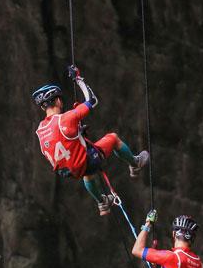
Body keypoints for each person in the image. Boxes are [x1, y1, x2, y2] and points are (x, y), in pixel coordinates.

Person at [32, 66, 149, 215]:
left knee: (87, 173)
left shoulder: (40, 130)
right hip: (85, 162)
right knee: (113, 139)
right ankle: (135, 163)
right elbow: (92, 100)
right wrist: (79, 80)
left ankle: (102, 203)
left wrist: (77, 135)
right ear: (58, 101)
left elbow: (57, 143)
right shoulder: (66, 118)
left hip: (67, 171)